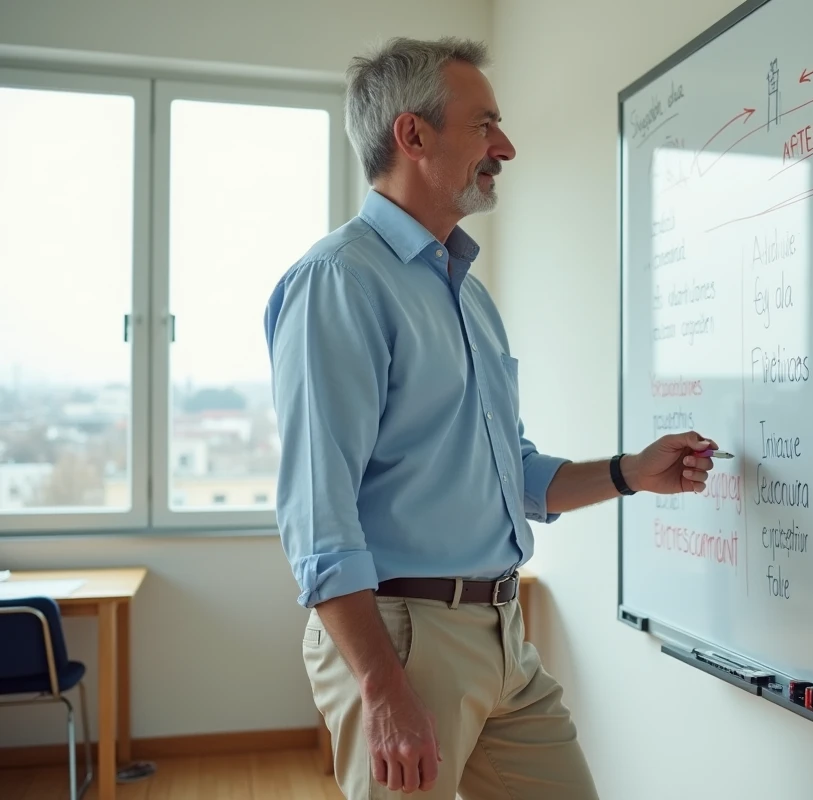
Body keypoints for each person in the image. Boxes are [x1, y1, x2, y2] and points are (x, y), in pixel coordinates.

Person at [263, 36, 718, 799]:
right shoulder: (338, 282)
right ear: (413, 135)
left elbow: (515, 473)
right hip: (402, 639)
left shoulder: (467, 292)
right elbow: (318, 516)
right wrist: (382, 688)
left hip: (503, 632)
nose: (504, 146)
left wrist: (628, 473)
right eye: (485, 126)